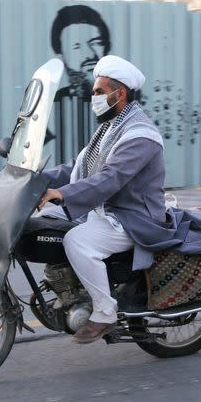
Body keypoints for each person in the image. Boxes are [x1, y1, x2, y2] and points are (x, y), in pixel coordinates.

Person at [37, 55, 166, 343]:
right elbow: (77, 167)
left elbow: (111, 179)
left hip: (133, 217)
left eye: (98, 92)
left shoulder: (139, 134)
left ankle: (105, 311)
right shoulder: (110, 128)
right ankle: (70, 289)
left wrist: (61, 194)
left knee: (77, 240)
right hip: (106, 210)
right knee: (43, 225)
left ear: (119, 94)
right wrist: (37, 180)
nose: (92, 97)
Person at [48, 5, 113, 162]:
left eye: (96, 43)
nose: (90, 54)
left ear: (106, 47)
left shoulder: (126, 99)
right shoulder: (55, 101)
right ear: (61, 54)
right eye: (76, 46)